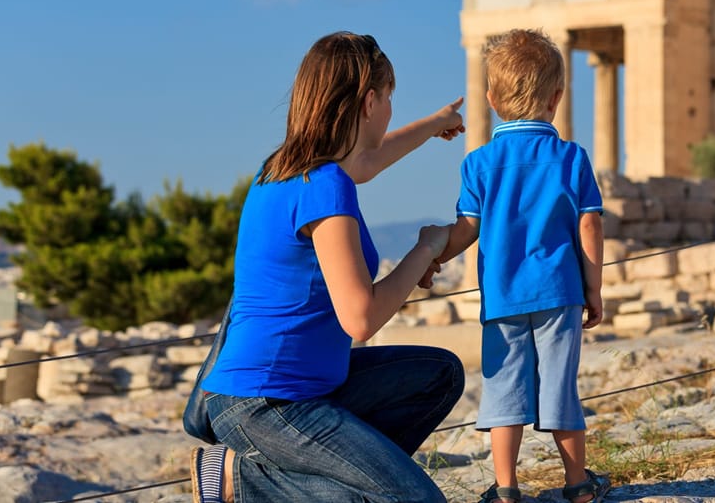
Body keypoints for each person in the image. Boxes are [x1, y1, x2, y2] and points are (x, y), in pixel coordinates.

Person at [191, 31, 467, 503]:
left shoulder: (284, 169)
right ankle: (241, 480)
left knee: (438, 373)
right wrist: (426, 247)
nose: (390, 111)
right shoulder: (325, 186)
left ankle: (346, 484)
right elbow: (360, 319)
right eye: (390, 99)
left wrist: (434, 124)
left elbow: (368, 160)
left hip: (306, 388)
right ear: (369, 101)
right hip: (266, 401)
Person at [428, 29, 612, 503]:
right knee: (560, 390)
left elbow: (466, 230)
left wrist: (434, 256)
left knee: (503, 393)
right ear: (557, 97)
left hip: (502, 297)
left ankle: (507, 489)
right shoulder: (571, 158)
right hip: (560, 294)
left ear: (490, 99)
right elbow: (589, 228)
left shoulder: (479, 163)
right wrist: (594, 290)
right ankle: (577, 485)